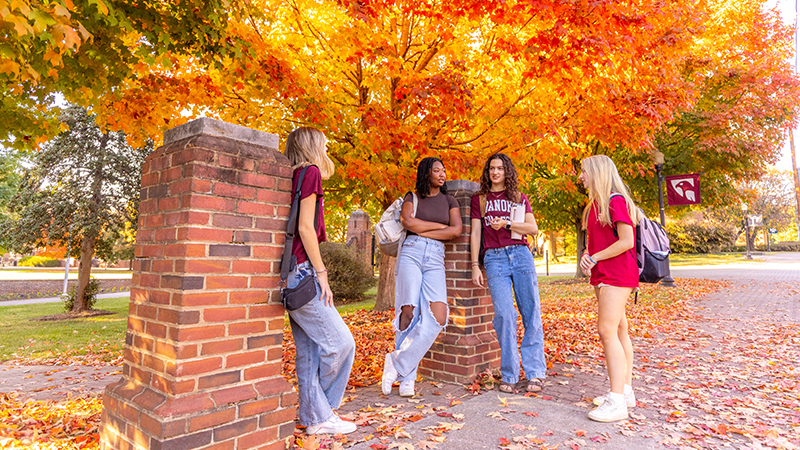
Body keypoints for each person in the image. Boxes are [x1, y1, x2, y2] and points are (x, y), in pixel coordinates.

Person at [284, 127, 357, 434]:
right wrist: (322, 273)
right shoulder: (310, 173)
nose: (327, 146)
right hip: (302, 272)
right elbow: (304, 228)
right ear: (313, 146)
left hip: (288, 274)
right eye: (324, 142)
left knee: (310, 352)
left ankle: (312, 418)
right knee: (342, 344)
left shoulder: (293, 175)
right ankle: (320, 412)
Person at [382, 157, 462, 397]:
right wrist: (439, 227)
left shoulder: (450, 200)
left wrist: (422, 225)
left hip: (436, 258)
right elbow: (407, 222)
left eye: (443, 169)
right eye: (436, 169)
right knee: (408, 311)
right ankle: (408, 378)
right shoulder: (412, 197)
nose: (442, 173)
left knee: (438, 316)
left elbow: (456, 230)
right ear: (426, 173)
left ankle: (396, 363)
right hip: (412, 253)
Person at [469, 153, 545, 394]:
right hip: (494, 259)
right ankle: (510, 374)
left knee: (530, 312)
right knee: (504, 315)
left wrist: (508, 224)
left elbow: (532, 228)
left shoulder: (518, 198)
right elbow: (475, 233)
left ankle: (534, 372)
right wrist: (474, 264)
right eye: (492, 168)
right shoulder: (479, 200)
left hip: (520, 255)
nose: (495, 172)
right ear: (487, 172)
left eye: (500, 168)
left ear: (507, 172)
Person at [578, 154, 641, 422]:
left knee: (606, 330)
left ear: (597, 173)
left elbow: (627, 241)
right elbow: (600, 242)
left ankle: (616, 402)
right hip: (604, 273)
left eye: (583, 172)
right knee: (618, 329)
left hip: (617, 274)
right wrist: (586, 255)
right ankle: (625, 392)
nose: (580, 177)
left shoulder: (615, 201)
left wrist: (595, 257)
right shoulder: (595, 205)